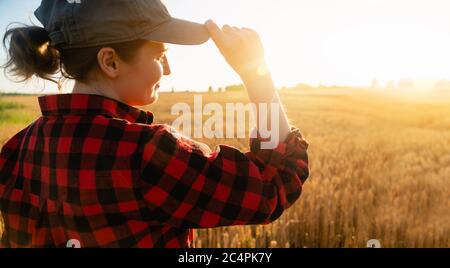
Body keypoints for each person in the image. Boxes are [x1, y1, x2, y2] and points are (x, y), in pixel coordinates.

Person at [0, 0, 309, 248]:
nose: (169, 69)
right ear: (110, 62)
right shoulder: (147, 154)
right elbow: (274, 184)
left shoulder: (18, 147)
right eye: (160, 55)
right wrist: (257, 74)